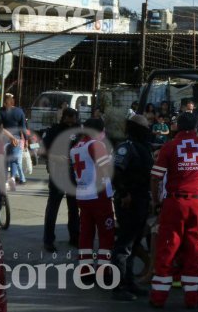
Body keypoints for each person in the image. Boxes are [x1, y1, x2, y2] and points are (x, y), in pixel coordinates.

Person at [149, 112, 198, 309]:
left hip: (174, 204)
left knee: (166, 249)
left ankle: (158, 298)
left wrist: (156, 201)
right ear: (195, 127)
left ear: (176, 127)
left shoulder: (168, 147)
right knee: (194, 251)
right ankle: (192, 299)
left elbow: (155, 177)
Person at [111, 115, 154, 301]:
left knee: (134, 244)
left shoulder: (143, 146)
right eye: (144, 127)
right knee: (124, 246)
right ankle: (118, 287)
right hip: (128, 200)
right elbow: (115, 172)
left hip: (141, 199)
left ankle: (129, 282)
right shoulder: (125, 146)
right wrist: (124, 193)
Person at [70, 118, 115, 277]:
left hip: (82, 194)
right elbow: (105, 168)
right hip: (98, 195)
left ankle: (85, 270)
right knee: (106, 233)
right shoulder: (96, 144)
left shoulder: (76, 147)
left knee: (86, 233)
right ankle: (104, 271)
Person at [42, 108, 80, 252]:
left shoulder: (79, 131)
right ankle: (48, 240)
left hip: (74, 174)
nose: (70, 122)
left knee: (74, 208)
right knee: (53, 207)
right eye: (68, 119)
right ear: (63, 118)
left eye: (73, 119)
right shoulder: (54, 130)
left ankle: (75, 237)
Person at [0, 93, 28, 185]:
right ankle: (13, 178)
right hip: (17, 138)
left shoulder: (0, 111)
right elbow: (23, 127)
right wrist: (26, 140)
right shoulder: (19, 111)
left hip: (4, 138)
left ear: (5, 102)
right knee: (14, 159)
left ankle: (5, 179)